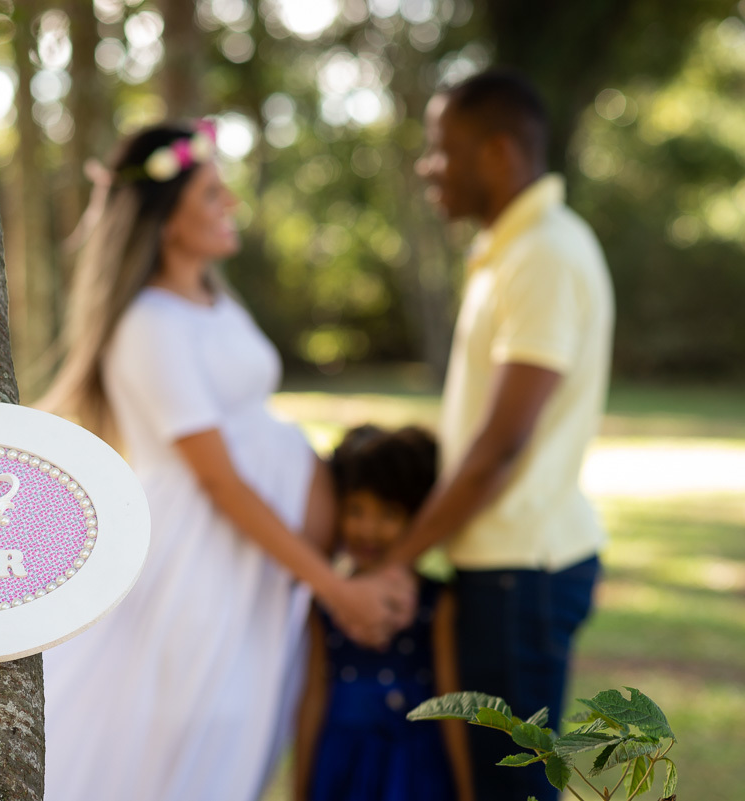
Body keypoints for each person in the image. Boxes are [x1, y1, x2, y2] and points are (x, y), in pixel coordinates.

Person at [39, 121, 415, 801]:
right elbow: (215, 478)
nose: (230, 204)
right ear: (168, 218)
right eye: (212, 194)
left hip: (251, 567)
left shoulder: (214, 302)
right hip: (200, 566)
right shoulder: (150, 323)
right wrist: (334, 589)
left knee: (238, 744)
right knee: (195, 739)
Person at [382, 69, 614, 800]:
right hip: (507, 569)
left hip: (523, 575)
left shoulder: (543, 252)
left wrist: (399, 557)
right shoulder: (513, 248)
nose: (428, 166)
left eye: (441, 149)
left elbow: (503, 443)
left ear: (499, 153)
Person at [295, 425, 473, 801]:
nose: (369, 529)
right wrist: (300, 788)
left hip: (416, 766)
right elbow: (312, 698)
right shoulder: (323, 603)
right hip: (341, 760)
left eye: (389, 513)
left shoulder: (437, 603)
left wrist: (465, 788)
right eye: (356, 510)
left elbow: (451, 698)